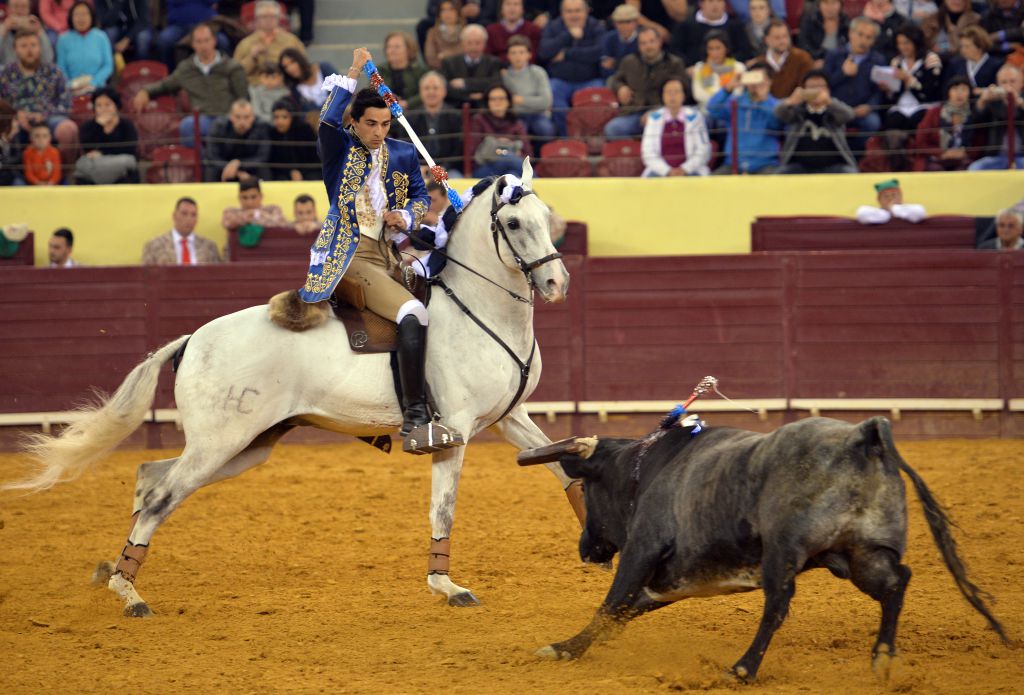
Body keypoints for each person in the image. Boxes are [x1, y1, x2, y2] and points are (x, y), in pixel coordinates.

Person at [300, 47, 444, 444]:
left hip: (389, 253)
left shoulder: (402, 152)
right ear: (355, 122)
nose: (379, 132)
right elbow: (327, 119)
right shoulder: (337, 147)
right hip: (349, 253)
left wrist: (408, 217)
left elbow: (420, 196)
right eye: (370, 124)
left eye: (385, 123)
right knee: (413, 312)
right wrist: (352, 72)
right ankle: (415, 415)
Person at [133, 23, 249, 145]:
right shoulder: (186, 69)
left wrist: (238, 118)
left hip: (227, 117)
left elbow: (243, 98)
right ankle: (198, 157)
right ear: (193, 44)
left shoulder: (232, 67)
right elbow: (165, 85)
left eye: (206, 40)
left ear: (214, 41)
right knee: (187, 125)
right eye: (199, 41)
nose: (203, 45)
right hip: (202, 119)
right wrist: (145, 91)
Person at [0, 31, 78, 160]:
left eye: (33, 45)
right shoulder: (6, 74)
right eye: (24, 46)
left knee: (68, 129)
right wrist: (15, 114)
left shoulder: (54, 72)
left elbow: (66, 103)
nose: (29, 50)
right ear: (15, 49)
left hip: (49, 118)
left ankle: (64, 170)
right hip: (15, 120)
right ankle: (10, 170)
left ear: (40, 47)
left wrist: (44, 114)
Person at [538, 0, 607, 135]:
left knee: (597, 97)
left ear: (586, 11)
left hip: (590, 80)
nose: (574, 15)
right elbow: (544, 52)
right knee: (551, 93)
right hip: (560, 81)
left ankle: (589, 140)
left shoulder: (596, 26)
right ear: (562, 13)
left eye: (577, 11)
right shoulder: (553, 27)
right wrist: (567, 35)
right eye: (569, 12)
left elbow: (599, 52)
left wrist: (566, 54)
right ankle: (567, 139)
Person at [605, 26, 686, 138]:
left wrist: (657, 113)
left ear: (659, 42)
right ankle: (631, 148)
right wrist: (620, 88)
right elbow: (613, 80)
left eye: (652, 41)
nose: (648, 46)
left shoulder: (674, 63)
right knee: (612, 129)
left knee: (655, 124)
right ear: (638, 46)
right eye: (643, 43)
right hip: (634, 112)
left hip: (664, 112)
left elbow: (684, 92)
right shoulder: (629, 62)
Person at [775, 69, 859, 173]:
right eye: (811, 87)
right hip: (799, 166)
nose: (816, 91)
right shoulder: (797, 111)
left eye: (820, 87)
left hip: (834, 166)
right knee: (780, 174)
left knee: (850, 173)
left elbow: (849, 114)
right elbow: (778, 112)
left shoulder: (833, 111)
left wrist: (828, 101)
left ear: (828, 90)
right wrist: (791, 101)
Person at [708, 64, 783, 173]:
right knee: (710, 182)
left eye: (759, 77)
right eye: (752, 77)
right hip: (733, 164)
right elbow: (713, 109)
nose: (755, 83)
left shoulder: (777, 105)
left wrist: (764, 101)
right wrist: (728, 88)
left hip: (765, 164)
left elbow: (777, 124)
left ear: (769, 81)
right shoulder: (735, 102)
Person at [823, 17, 885, 137]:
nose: (863, 40)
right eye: (860, 34)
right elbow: (824, 83)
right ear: (850, 33)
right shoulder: (834, 54)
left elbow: (878, 90)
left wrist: (869, 106)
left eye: (869, 37)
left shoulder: (878, 60)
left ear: (873, 41)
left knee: (873, 123)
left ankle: (857, 149)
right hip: (837, 108)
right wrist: (842, 73)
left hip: (862, 110)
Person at [640, 77, 712, 176]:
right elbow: (648, 152)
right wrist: (667, 171)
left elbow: (703, 150)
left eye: (676, 92)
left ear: (683, 95)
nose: (672, 95)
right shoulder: (653, 118)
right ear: (662, 96)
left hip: (691, 170)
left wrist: (684, 169)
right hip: (660, 171)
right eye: (668, 92)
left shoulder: (695, 117)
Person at [404, 71, 464, 177]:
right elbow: (405, 147)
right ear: (420, 92)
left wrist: (445, 167)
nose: (431, 92)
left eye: (435, 88)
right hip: (418, 170)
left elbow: (458, 149)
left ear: (444, 91)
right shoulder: (410, 117)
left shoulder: (455, 116)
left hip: (449, 169)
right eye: (427, 88)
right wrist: (418, 166)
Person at [74, 87, 139, 184]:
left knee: (129, 164)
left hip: (120, 165)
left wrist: (102, 153)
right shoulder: (88, 126)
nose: (103, 109)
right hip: (96, 166)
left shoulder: (127, 125)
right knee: (82, 165)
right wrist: (98, 125)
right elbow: (87, 147)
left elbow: (129, 149)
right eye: (99, 105)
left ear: (116, 106)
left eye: (107, 105)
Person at [233, 0, 305, 85]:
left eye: (272, 16)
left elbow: (304, 68)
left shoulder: (292, 41)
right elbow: (235, 74)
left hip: (285, 87)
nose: (268, 20)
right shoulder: (245, 44)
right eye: (264, 17)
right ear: (257, 19)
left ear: (279, 18)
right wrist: (252, 58)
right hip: (255, 88)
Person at [912, 75, 974, 171]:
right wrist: (942, 153)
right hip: (935, 158)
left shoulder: (973, 114)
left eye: (963, 89)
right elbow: (920, 141)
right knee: (936, 170)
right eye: (955, 89)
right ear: (948, 92)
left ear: (969, 93)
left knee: (965, 169)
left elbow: (980, 142)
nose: (959, 93)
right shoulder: (934, 112)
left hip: (962, 159)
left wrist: (965, 153)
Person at [968, 63, 1024, 169]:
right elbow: (975, 121)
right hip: (997, 156)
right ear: (998, 84)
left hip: (1022, 156)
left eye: (1012, 81)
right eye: (1004, 82)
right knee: (975, 168)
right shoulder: (994, 101)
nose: (1008, 86)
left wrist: (1019, 102)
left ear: (1021, 82)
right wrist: (982, 101)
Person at [470, 83, 532, 176]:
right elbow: (472, 153)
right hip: (485, 168)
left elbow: (527, 152)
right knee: (508, 158)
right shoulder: (479, 120)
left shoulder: (516, 122)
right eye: (493, 99)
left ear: (508, 102)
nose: (497, 102)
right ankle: (534, 180)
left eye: (501, 99)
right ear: (487, 102)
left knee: (512, 174)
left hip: (512, 166)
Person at [502, 35, 555, 142]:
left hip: (538, 115)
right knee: (519, 131)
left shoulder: (538, 72)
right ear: (508, 56)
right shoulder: (504, 76)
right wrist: (533, 101)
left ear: (529, 55)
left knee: (545, 129)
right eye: (513, 53)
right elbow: (509, 104)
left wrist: (521, 100)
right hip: (516, 116)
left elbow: (546, 101)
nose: (518, 56)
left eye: (521, 52)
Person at [206, 98, 272, 182]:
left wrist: (239, 164)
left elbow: (263, 156)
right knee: (211, 170)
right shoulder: (219, 126)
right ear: (230, 116)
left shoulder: (262, 126)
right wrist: (235, 171)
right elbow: (212, 155)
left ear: (253, 117)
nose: (242, 122)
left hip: (251, 167)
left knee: (264, 170)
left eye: (247, 117)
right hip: (225, 167)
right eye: (237, 117)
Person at [142, 197, 222, 265]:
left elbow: (217, 275)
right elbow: (146, 275)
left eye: (193, 215)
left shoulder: (209, 247)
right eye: (184, 214)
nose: (189, 219)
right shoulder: (155, 245)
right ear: (174, 216)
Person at [441, 23, 504, 110]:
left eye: (478, 43)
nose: (473, 47)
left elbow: (495, 83)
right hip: (456, 108)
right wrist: (470, 96)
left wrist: (465, 83)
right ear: (463, 44)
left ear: (484, 44)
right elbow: (446, 88)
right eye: (469, 43)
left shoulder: (493, 62)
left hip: (485, 108)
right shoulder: (450, 63)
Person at [670, 0, 752, 65]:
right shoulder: (685, 26)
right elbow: (675, 51)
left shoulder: (735, 26)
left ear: (724, 4)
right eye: (710, 1)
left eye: (719, 1)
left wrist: (726, 63)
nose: (715, 5)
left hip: (729, 70)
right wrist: (688, 67)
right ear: (701, 4)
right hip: (693, 71)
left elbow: (745, 52)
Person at [56, 2, 114, 94]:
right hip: (72, 90)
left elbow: (108, 65)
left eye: (85, 14)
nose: (81, 18)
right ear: (71, 17)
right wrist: (71, 85)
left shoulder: (101, 37)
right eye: (77, 14)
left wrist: (94, 82)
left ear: (91, 16)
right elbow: (61, 68)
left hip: (97, 88)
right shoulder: (63, 40)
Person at [155, 0, 223, 69]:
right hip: (178, 26)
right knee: (164, 40)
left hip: (206, 25)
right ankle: (171, 72)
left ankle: (220, 72)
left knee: (223, 41)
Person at [690, 30, 746, 113]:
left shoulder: (738, 67)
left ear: (726, 49)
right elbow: (698, 95)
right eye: (710, 48)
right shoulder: (699, 67)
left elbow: (737, 93)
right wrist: (720, 98)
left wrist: (717, 99)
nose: (714, 52)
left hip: (730, 113)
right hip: (706, 112)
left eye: (718, 48)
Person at [221, 179, 288, 242]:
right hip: (237, 249)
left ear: (261, 196)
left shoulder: (272, 210)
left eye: (253, 197)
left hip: (268, 248)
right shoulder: (231, 212)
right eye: (244, 198)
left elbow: (283, 225)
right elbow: (227, 223)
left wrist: (258, 215)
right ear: (239, 198)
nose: (249, 202)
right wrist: (245, 217)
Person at [268, 98, 318, 181]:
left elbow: (314, 157)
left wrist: (300, 172)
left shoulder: (305, 130)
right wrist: (290, 172)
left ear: (292, 117)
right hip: (283, 173)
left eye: (284, 117)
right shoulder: (272, 133)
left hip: (308, 171)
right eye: (276, 117)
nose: (280, 121)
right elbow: (273, 160)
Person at [763, 19, 813, 99]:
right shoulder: (760, 63)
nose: (782, 41)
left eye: (785, 36)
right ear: (767, 40)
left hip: (796, 105)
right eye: (777, 38)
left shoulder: (802, 58)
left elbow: (808, 89)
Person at [379, 32, 427, 110]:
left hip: (415, 111)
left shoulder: (420, 70)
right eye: (389, 47)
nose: (391, 50)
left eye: (397, 47)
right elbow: (372, 93)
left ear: (409, 50)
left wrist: (408, 103)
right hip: (386, 111)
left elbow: (426, 93)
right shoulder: (380, 70)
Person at [279, 47, 337, 112]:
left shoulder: (324, 68)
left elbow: (341, 89)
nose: (290, 68)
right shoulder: (295, 89)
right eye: (285, 67)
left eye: (293, 62)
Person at [0, 0, 56, 65]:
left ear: (29, 9)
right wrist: (2, 31)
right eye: (15, 6)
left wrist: (40, 32)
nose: (19, 10)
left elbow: (48, 59)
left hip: (33, 69)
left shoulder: (36, 28)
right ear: (7, 9)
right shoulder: (2, 30)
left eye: (24, 7)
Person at [947, 25, 1002, 91]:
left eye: (967, 46)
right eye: (962, 46)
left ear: (980, 47)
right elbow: (947, 87)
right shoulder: (955, 64)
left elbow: (1000, 88)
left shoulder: (996, 65)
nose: (963, 50)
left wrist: (983, 91)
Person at [855, 178, 926, 224]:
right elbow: (861, 213)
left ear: (900, 197)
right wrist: (888, 212)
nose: (890, 198)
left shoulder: (910, 210)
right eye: (886, 196)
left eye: (894, 195)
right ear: (879, 200)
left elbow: (919, 213)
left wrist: (894, 208)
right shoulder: (873, 213)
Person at [599, 4, 640, 79]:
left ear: (636, 22)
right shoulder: (609, 38)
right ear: (615, 23)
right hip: (615, 79)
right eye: (620, 22)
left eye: (628, 21)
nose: (624, 26)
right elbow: (605, 69)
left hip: (639, 78)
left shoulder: (644, 37)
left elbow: (644, 65)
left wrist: (615, 63)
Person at [424, 0, 465, 70]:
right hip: (440, 70)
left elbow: (468, 53)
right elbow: (430, 58)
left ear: (458, 12)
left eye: (451, 9)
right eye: (443, 10)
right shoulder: (432, 33)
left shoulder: (467, 32)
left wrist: (447, 54)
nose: (447, 13)